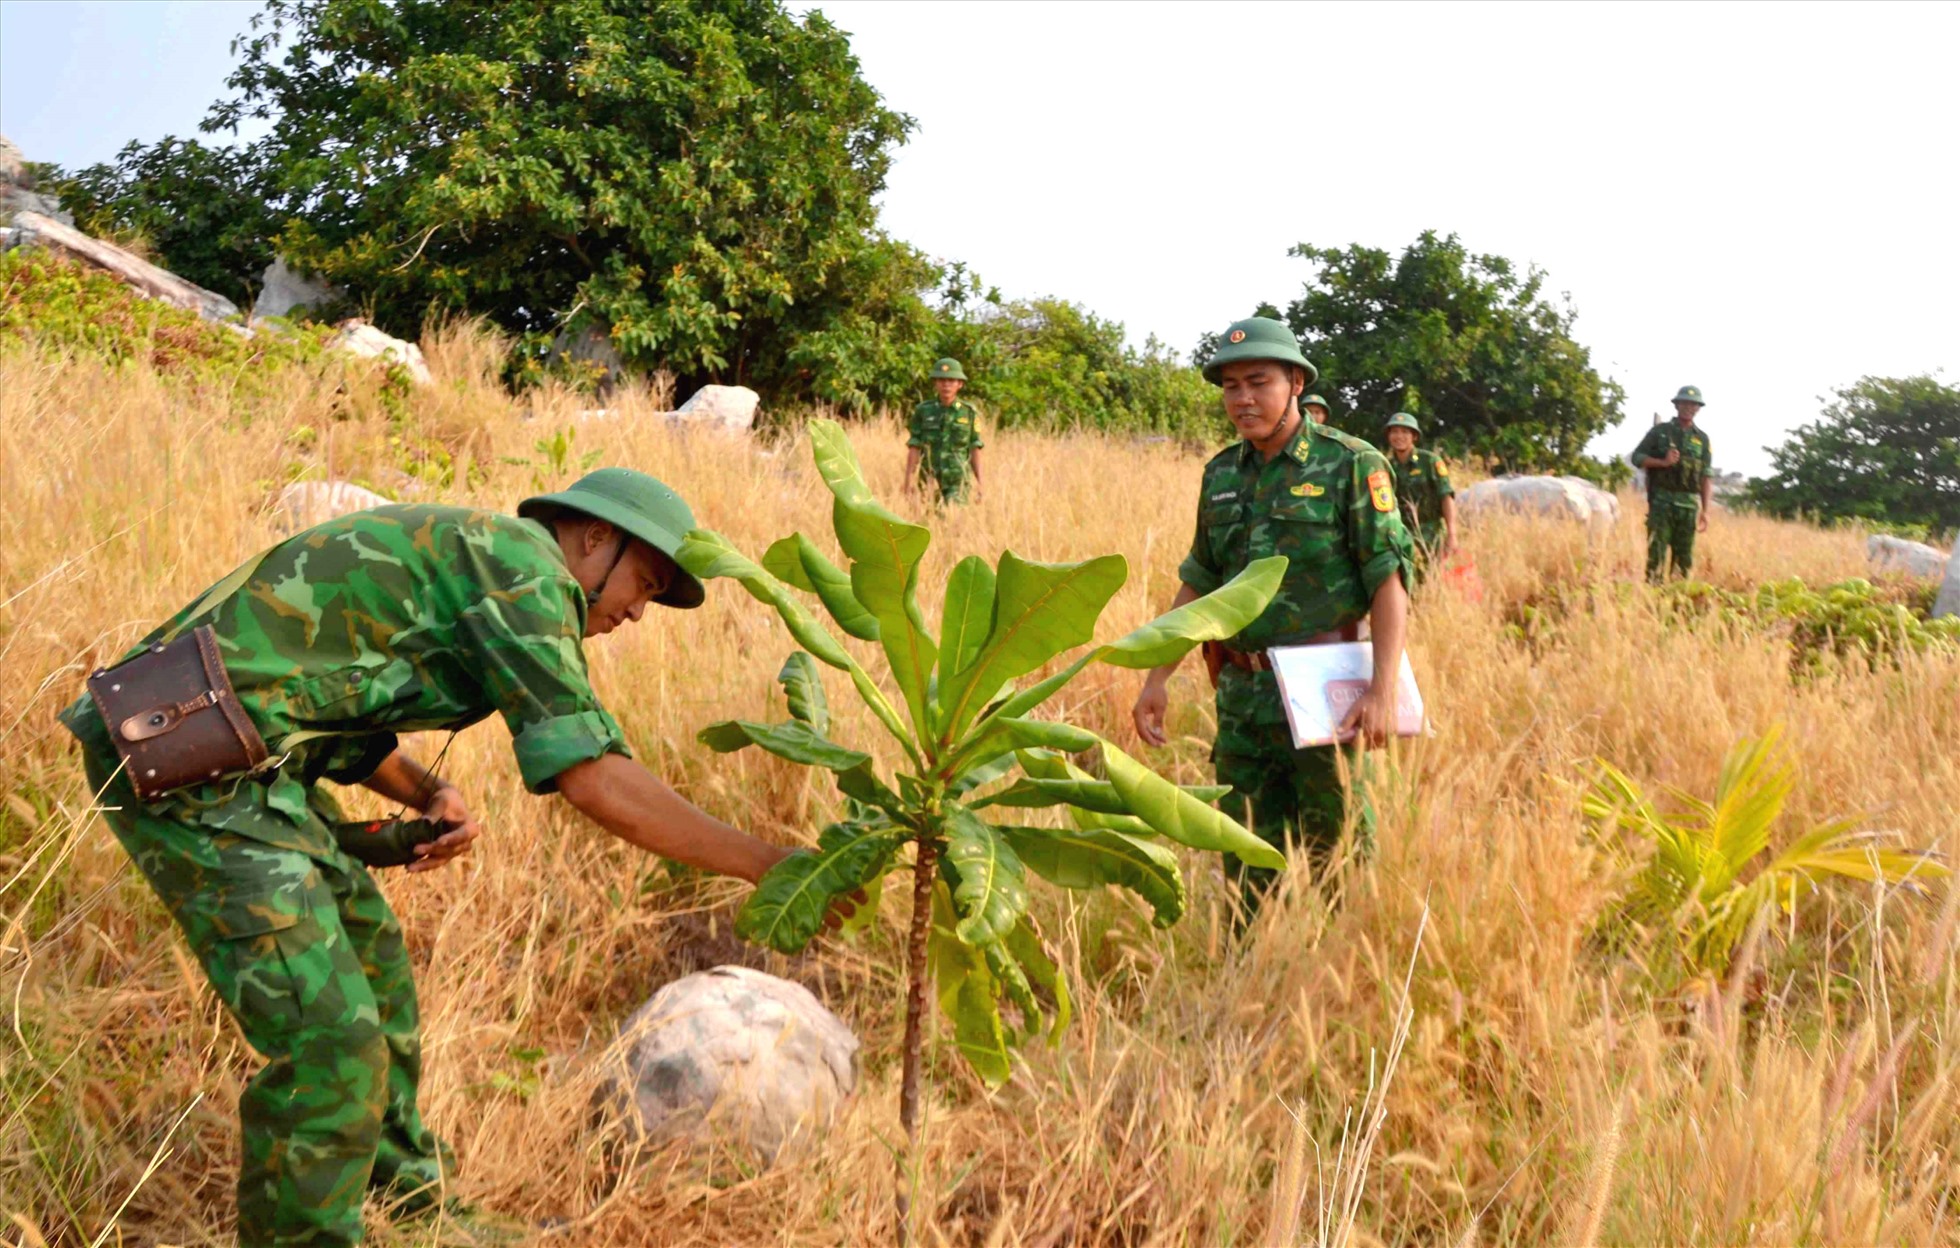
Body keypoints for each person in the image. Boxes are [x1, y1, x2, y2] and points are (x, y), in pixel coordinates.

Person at [58, 468, 845, 1247]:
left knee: (375, 975)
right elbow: (594, 777)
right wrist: (765, 863)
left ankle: (409, 1208)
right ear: (594, 538)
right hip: (189, 767)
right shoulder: (523, 572)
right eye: (643, 583)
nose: (638, 611)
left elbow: (329, 700)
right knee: (328, 1040)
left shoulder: (479, 555)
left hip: (244, 767)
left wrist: (427, 793)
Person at [1131, 317, 1415, 906]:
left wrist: (1382, 690)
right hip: (1243, 697)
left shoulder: (1350, 464)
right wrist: (1157, 674)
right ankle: (1247, 981)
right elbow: (1200, 583)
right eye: (1230, 386)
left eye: (1257, 381)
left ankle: (1334, 987)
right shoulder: (1222, 475)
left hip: (1327, 692)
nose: (1242, 399)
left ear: (1294, 381)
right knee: (1245, 862)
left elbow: (1388, 580)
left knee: (1336, 857)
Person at [1632, 385, 1712, 580]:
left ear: (1698, 408)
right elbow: (1637, 457)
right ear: (1677, 405)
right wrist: (1662, 462)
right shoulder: (1660, 432)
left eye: (1693, 404)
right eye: (1684, 403)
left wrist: (1706, 511)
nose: (1688, 407)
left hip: (1688, 507)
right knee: (1656, 557)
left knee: (1684, 562)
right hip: (1662, 504)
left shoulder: (1702, 439)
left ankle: (1677, 604)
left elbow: (1705, 477)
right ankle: (1652, 603)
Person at [1380, 412, 1458, 572]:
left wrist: (1452, 533)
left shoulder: (1430, 461)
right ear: (1388, 436)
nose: (1399, 436)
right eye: (1394, 431)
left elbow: (1446, 497)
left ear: (1414, 436)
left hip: (1431, 533)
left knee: (1435, 577)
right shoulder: (1384, 466)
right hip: (1399, 533)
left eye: (1405, 432)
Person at [904, 357, 985, 504]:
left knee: (954, 519)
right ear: (935, 383)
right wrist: (908, 480)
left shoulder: (969, 412)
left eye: (951, 381)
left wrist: (980, 484)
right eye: (941, 380)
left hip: (957, 480)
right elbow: (915, 447)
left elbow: (974, 448)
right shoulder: (923, 411)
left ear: (959, 384)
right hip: (929, 479)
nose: (946, 385)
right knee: (926, 521)